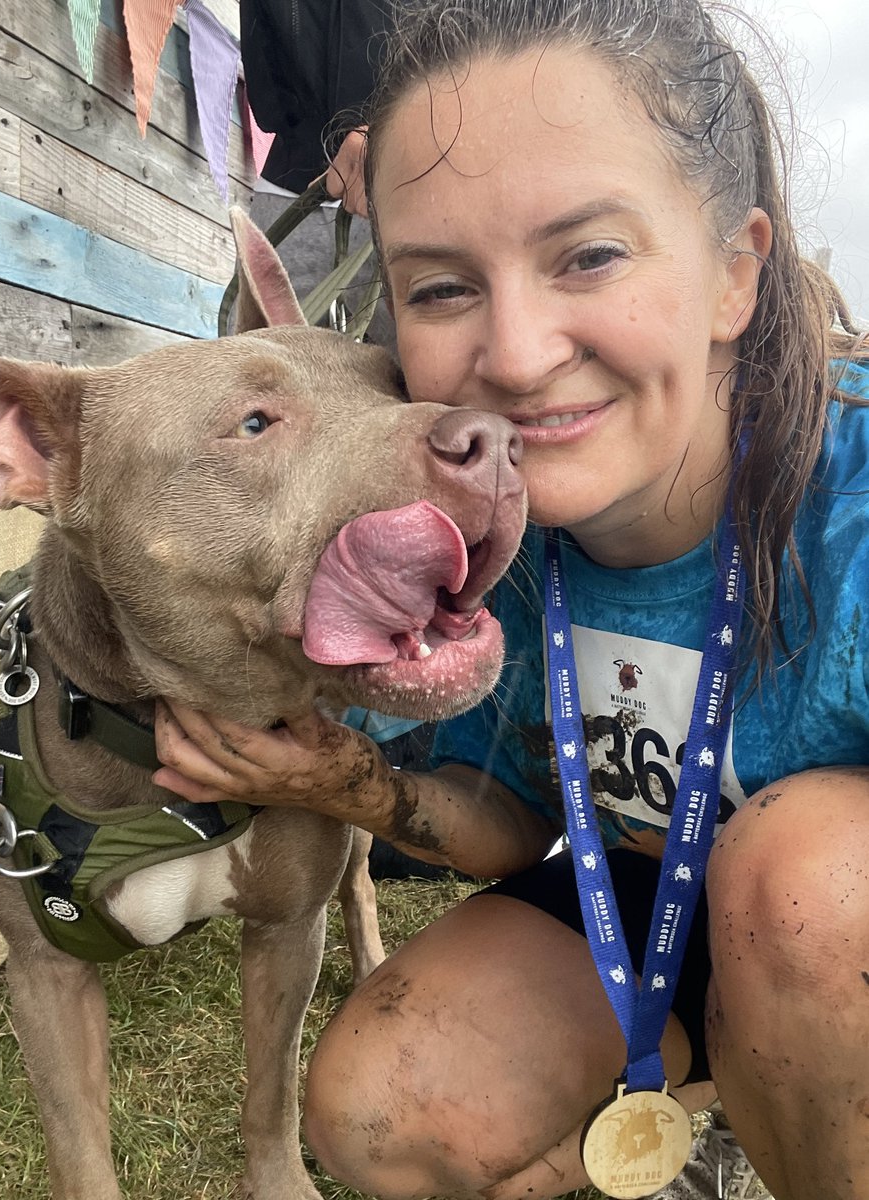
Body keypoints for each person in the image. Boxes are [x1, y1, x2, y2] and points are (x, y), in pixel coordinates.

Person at [154, 2, 869, 1198]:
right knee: (379, 1105)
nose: (519, 354)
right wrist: (341, 779)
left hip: (832, 922)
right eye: (440, 289)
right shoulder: (485, 530)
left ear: (734, 274)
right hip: (653, 904)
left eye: (589, 255)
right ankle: (719, 1088)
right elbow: (512, 815)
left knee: (803, 886)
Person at [241, 0, 394, 345]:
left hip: (409, 182)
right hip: (291, 183)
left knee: (423, 375)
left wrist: (399, 128)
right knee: (261, 361)